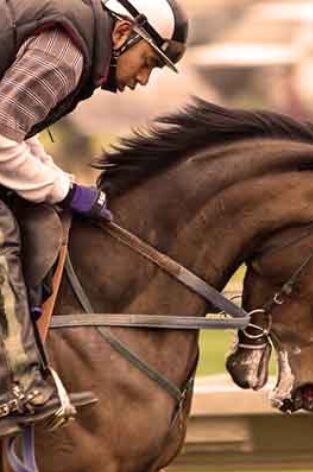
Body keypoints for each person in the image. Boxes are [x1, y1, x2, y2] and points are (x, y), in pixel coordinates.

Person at [0, 0, 188, 437]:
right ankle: (19, 386)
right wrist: (65, 190)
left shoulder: (74, 46)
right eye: (148, 63)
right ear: (123, 34)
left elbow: (16, 134)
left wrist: (59, 182)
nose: (142, 79)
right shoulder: (66, 55)